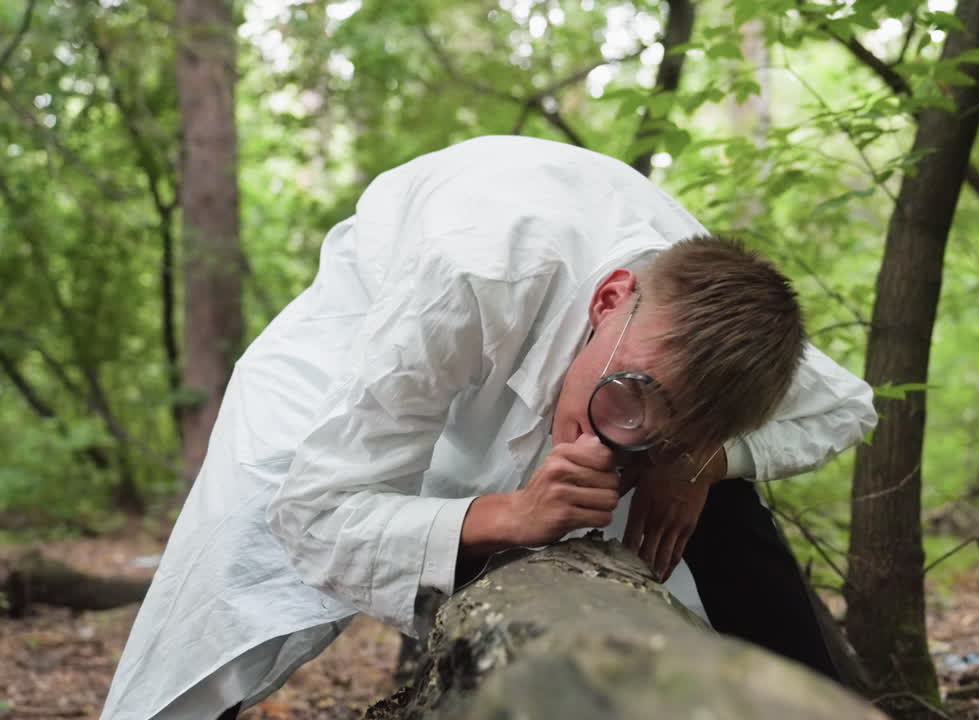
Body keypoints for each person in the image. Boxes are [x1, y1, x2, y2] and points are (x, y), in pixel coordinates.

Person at [101, 135, 876, 719]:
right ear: (609, 299)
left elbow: (848, 409)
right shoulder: (469, 274)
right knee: (233, 591)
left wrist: (699, 462)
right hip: (364, 341)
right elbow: (314, 513)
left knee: (728, 513)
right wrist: (506, 514)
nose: (619, 438)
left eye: (658, 430)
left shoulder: (727, 336)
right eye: (628, 391)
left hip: (577, 338)